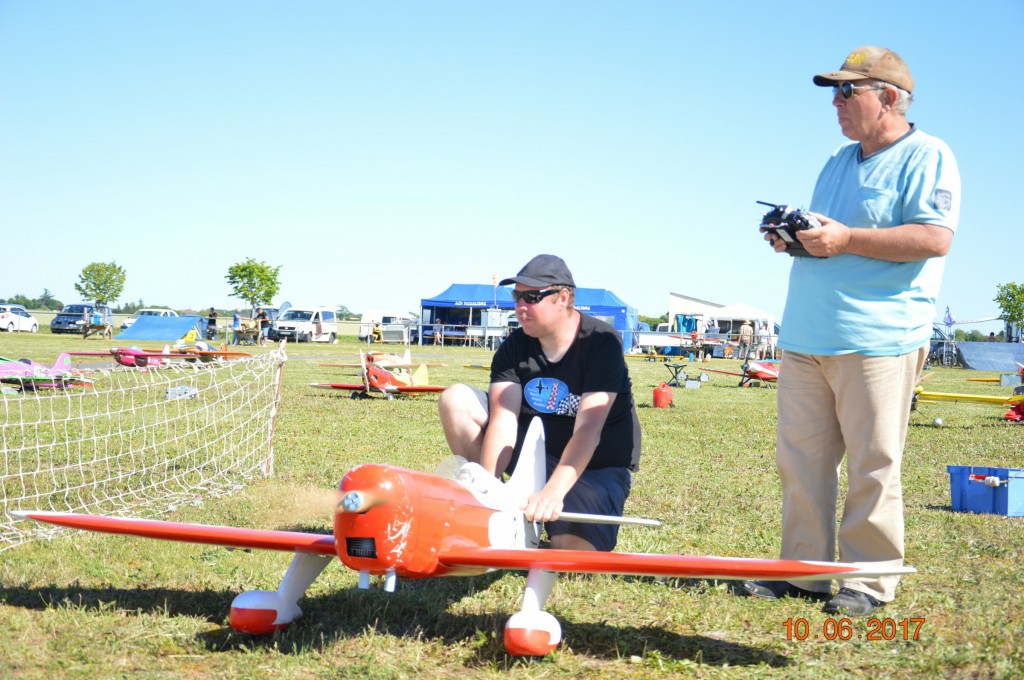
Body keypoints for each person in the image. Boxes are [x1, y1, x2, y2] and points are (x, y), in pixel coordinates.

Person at [741, 46, 960, 616]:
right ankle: (804, 572)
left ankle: (868, 580)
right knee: (802, 461)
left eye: (846, 92)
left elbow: (934, 238)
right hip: (808, 336)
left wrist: (845, 239)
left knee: (873, 462)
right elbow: (829, 237)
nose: (834, 103)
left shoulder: (929, 155)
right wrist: (795, 239)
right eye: (832, 92)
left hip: (879, 338)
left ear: (888, 97)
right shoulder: (838, 161)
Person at [438, 254, 641, 552]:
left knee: (572, 555)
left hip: (596, 465)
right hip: (533, 449)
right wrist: (489, 490)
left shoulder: (602, 342)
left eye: (532, 296)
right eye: (517, 296)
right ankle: (491, 505)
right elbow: (504, 419)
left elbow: (589, 430)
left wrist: (553, 493)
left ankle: (553, 516)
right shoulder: (514, 346)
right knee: (455, 399)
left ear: (563, 297)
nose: (520, 306)